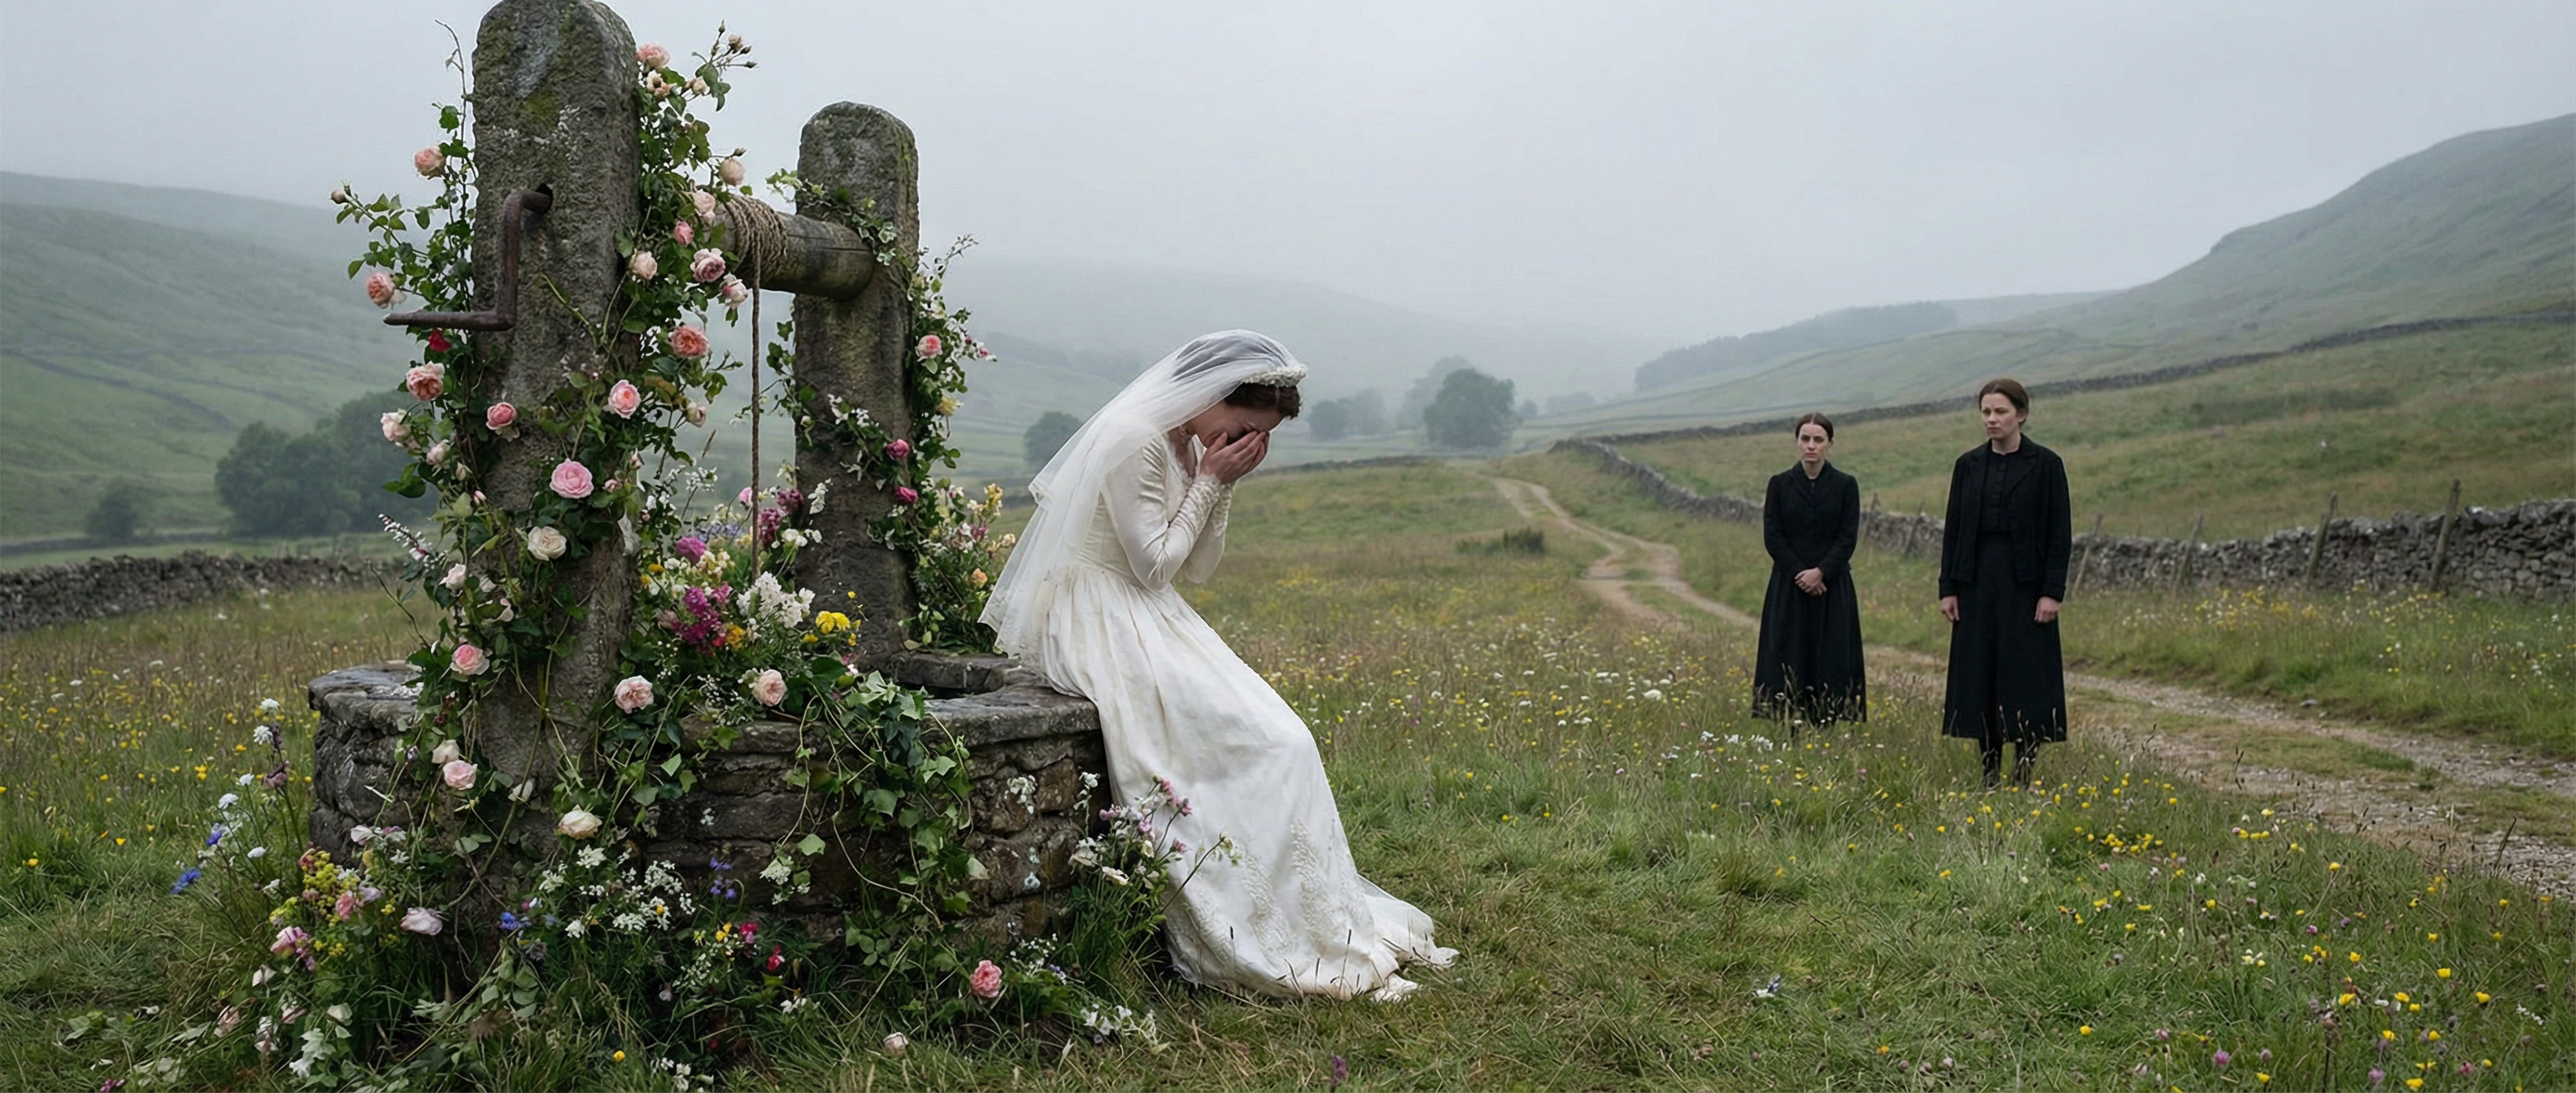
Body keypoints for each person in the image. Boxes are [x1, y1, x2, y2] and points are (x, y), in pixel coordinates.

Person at [980, 330, 1456, 1001]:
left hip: (1148, 609)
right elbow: (1152, 567)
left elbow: (1196, 567)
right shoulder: (1133, 437)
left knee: (1286, 738)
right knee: (1257, 742)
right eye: (1242, 428)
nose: (1244, 443)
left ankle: (1308, 917)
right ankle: (1249, 932)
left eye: (1258, 437)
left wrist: (1219, 485)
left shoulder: (1187, 442)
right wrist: (1209, 480)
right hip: (1100, 615)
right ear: (1210, 396)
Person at [1937, 378, 2072, 788]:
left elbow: (2059, 532)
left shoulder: (2046, 465)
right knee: (1982, 676)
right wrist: (1949, 587)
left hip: (2025, 586)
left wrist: (2052, 591)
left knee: (2026, 676)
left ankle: (2025, 770)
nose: (1992, 420)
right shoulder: (1968, 465)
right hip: (1977, 584)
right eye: (1986, 412)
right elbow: (1954, 528)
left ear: (2022, 415)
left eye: (2000, 412)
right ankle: (1989, 773)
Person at [1752, 412, 1866, 729]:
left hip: (1832, 587)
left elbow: (1848, 536)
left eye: (1818, 440)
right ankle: (1791, 724)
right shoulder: (1779, 485)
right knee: (1789, 654)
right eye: (1805, 439)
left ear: (1830, 443)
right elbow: (1773, 534)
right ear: (1796, 442)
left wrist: (1822, 572)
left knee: (1830, 656)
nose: (1811, 446)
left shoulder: (1846, 485)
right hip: (1789, 587)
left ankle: (1826, 723)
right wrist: (1802, 573)